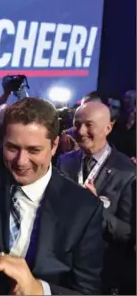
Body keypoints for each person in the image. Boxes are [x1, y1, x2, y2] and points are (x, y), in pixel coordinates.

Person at [0, 13, 104, 294]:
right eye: (12, 148)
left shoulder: (84, 209)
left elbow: (88, 291)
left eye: (34, 150)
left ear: (56, 145)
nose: (21, 161)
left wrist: (38, 289)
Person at [57, 101, 136, 294]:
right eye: (77, 124)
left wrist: (95, 209)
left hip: (103, 275)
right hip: (63, 269)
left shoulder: (128, 172)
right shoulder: (64, 161)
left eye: (89, 125)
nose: (81, 131)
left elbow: (128, 233)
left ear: (108, 128)